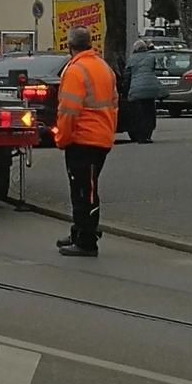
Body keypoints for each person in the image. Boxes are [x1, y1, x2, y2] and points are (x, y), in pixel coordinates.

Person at [54, 25, 118, 256]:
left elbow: (68, 112)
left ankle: (86, 241)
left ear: (69, 46)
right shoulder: (103, 67)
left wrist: (62, 139)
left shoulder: (75, 70)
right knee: (86, 188)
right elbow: (113, 104)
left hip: (83, 140)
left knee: (84, 192)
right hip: (100, 137)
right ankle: (79, 232)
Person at [123, 39, 161, 143]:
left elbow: (127, 76)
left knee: (140, 113)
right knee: (150, 112)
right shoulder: (151, 57)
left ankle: (141, 136)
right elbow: (153, 70)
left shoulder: (131, 59)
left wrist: (126, 91)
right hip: (150, 89)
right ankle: (148, 135)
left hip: (136, 89)